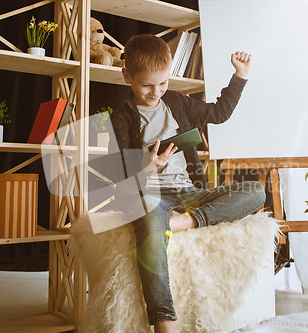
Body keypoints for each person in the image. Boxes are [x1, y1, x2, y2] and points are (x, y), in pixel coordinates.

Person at [106, 34, 266, 333]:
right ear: (127, 75)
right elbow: (120, 178)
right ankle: (164, 323)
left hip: (190, 194)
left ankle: (185, 221)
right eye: (147, 85)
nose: (156, 92)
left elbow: (218, 113)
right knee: (151, 233)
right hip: (151, 195)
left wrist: (240, 76)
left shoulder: (176, 101)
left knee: (254, 191)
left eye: (163, 83)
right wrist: (147, 166)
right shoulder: (121, 118)